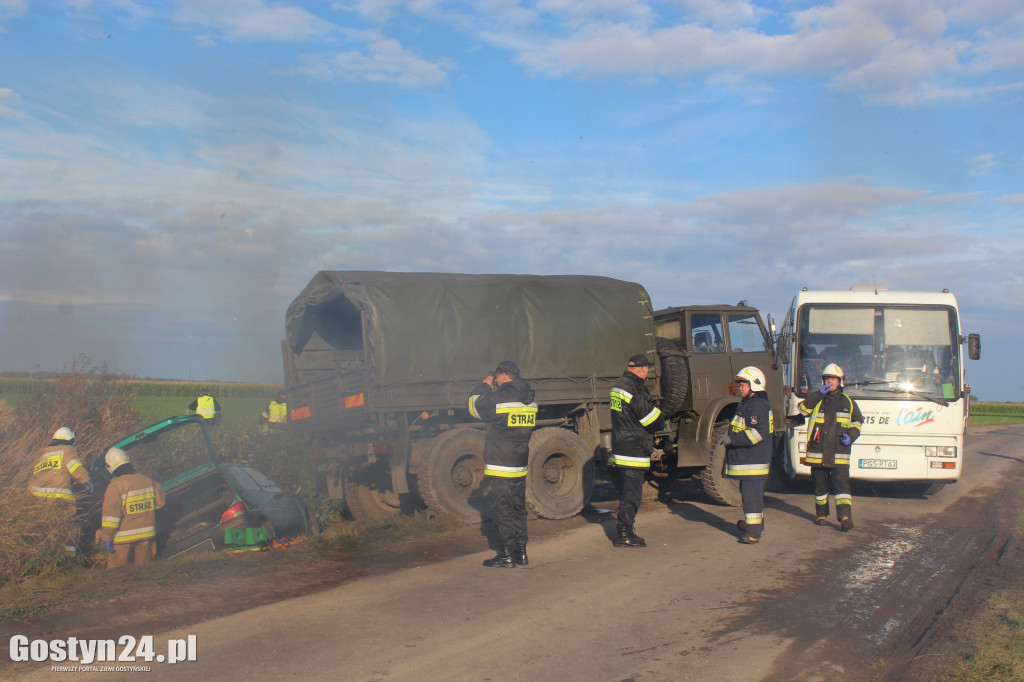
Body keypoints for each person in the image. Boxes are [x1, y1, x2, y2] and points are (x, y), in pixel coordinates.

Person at [469, 361, 537, 568]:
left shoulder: (499, 397)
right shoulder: (530, 399)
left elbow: (474, 406)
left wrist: (484, 385)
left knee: (503, 508)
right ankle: (521, 552)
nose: (496, 380)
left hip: (500, 462)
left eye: (496, 377)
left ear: (503, 375)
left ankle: (507, 555)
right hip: (519, 461)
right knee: (518, 508)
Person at [797, 363, 864, 531]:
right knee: (820, 486)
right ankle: (821, 515)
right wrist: (818, 394)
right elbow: (803, 410)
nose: (830, 381)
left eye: (833, 379)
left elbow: (857, 421)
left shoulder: (848, 402)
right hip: (817, 453)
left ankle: (845, 518)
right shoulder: (817, 399)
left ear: (840, 381)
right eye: (827, 378)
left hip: (839, 452)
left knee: (842, 487)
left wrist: (851, 436)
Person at [609, 353, 664, 548]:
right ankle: (624, 533)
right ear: (642, 369)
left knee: (626, 491)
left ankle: (625, 530)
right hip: (634, 448)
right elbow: (649, 419)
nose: (647, 371)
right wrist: (660, 417)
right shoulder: (636, 389)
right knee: (632, 494)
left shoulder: (618, 385)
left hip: (621, 444)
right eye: (646, 368)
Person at [725, 367, 774, 545]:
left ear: (753, 384)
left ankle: (753, 533)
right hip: (748, 460)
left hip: (753, 461)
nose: (740, 387)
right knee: (749, 496)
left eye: (743, 384)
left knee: (751, 498)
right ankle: (755, 525)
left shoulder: (757, 405)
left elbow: (758, 434)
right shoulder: (748, 403)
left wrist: (733, 439)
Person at [28, 426, 95, 554]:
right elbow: (76, 467)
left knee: (46, 528)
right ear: (69, 440)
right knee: (68, 528)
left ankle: (47, 555)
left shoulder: (42, 454)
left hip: (38, 498)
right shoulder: (67, 450)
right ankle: (68, 559)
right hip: (60, 498)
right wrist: (86, 480)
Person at [100, 447, 166, 569]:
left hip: (122, 538)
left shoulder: (115, 486)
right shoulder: (148, 481)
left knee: (118, 573)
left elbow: (111, 515)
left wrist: (107, 537)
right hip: (146, 534)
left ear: (110, 467)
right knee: (145, 571)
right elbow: (160, 503)